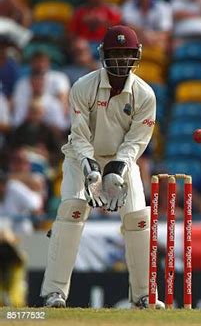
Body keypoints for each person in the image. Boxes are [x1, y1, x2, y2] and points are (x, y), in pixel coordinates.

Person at [40, 25, 164, 309]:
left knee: (138, 219)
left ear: (137, 56)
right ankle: (54, 292)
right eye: (115, 53)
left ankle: (144, 296)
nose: (121, 60)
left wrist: (116, 169)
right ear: (103, 55)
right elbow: (80, 135)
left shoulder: (145, 95)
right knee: (72, 209)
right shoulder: (83, 86)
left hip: (122, 160)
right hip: (80, 158)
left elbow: (136, 142)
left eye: (126, 53)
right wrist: (92, 170)